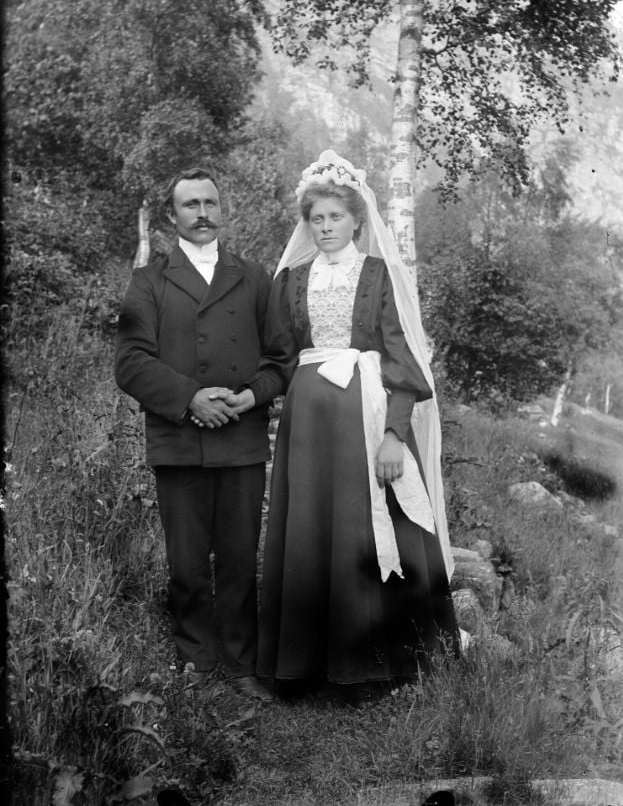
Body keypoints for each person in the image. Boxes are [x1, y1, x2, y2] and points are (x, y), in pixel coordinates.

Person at [249, 150, 459, 696]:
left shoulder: (379, 275)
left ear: (356, 221)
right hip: (309, 421)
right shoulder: (291, 282)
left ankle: (375, 668)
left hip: (368, 413)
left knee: (369, 526)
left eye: (334, 218)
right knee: (312, 530)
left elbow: (402, 361)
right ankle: (303, 667)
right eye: (315, 219)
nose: (324, 227)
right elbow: (278, 355)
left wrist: (394, 434)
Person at [114, 167, 282, 701]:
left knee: (238, 559)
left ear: (222, 209)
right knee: (186, 563)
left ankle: (240, 664)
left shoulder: (255, 277)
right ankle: (195, 662)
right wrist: (190, 399)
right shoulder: (149, 282)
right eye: (191, 205)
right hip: (179, 441)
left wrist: (249, 395)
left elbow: (282, 359)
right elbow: (131, 364)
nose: (203, 213)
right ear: (172, 216)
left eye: (211, 202)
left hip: (242, 439)